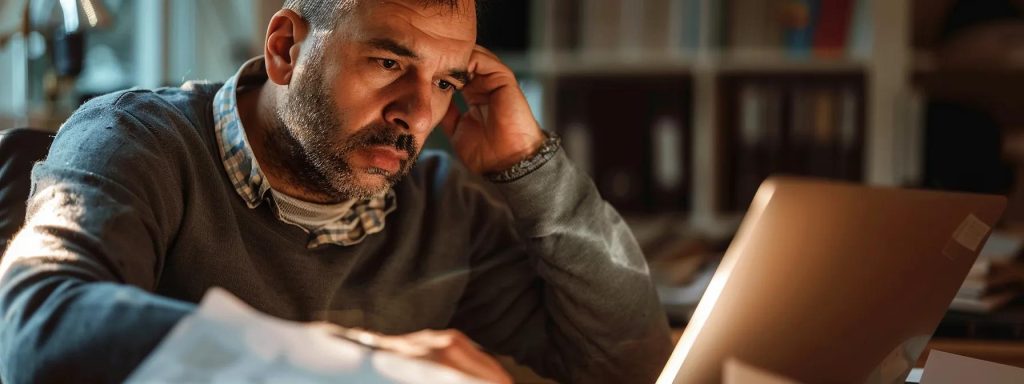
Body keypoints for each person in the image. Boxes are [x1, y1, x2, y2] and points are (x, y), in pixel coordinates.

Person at [0, 0, 672, 383]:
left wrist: (531, 165)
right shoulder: (135, 140)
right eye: (389, 62)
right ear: (288, 48)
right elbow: (40, 331)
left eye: (444, 82)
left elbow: (626, 365)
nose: (415, 113)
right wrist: (354, 359)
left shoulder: (443, 207)